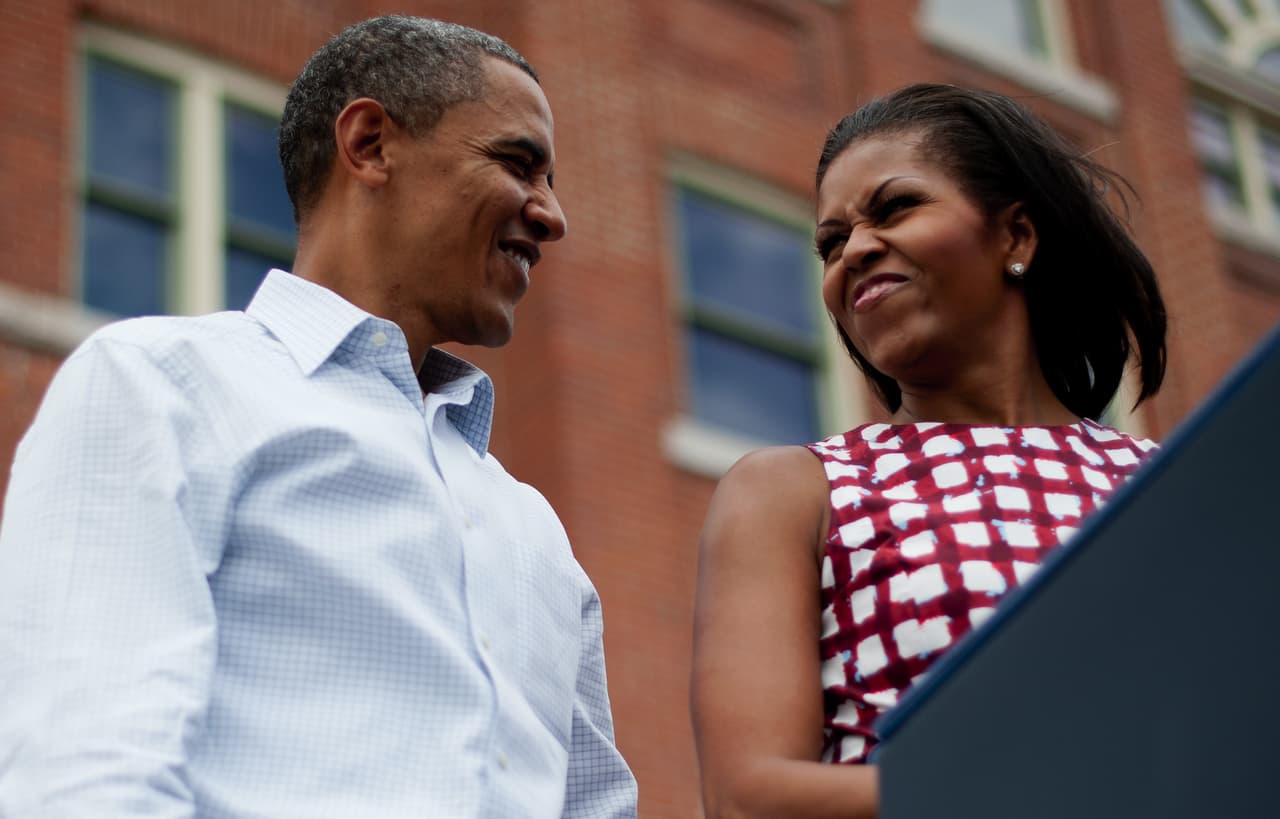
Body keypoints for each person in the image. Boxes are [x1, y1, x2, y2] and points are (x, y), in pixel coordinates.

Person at [0, 15, 637, 818]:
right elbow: (82, 772)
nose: (552, 214)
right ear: (369, 144)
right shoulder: (162, 386)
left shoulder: (536, 534)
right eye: (519, 164)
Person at [690, 83, 1167, 819]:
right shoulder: (795, 489)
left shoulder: (1163, 487)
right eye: (831, 243)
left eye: (895, 208)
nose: (854, 251)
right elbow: (750, 799)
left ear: (1016, 236)